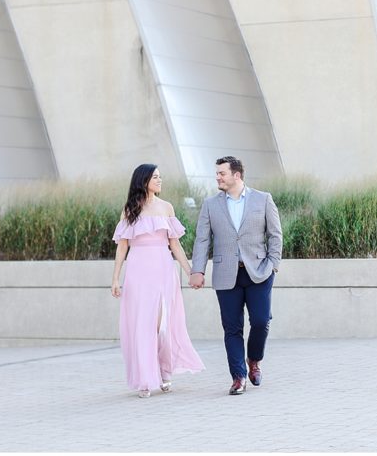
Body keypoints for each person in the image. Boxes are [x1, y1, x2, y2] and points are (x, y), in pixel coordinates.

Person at [189, 156, 282, 395]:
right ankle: (238, 376)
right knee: (232, 328)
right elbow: (202, 239)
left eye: (222, 173)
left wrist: (273, 264)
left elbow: (275, 234)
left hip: (259, 272)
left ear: (237, 175)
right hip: (225, 273)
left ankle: (254, 360)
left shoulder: (263, 199)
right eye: (217, 173)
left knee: (261, 321)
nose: (217, 177)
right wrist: (197, 270)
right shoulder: (210, 204)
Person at [111, 164, 204, 398]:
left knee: (163, 325)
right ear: (143, 180)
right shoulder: (130, 210)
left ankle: (165, 372)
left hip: (163, 269)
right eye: (155, 177)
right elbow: (122, 247)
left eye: (161, 177)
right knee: (143, 325)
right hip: (138, 271)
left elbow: (175, 244)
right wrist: (115, 279)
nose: (160, 180)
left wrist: (191, 270)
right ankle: (144, 379)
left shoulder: (167, 208)